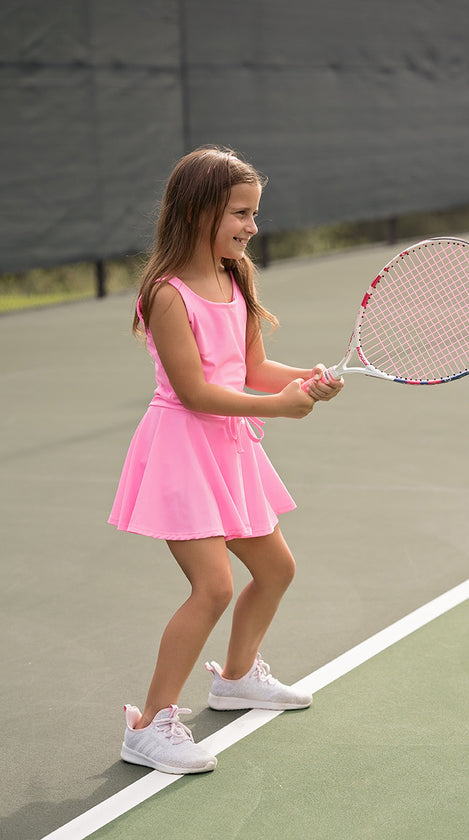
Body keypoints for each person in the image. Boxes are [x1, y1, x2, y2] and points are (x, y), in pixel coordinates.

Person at [108, 145, 344, 775]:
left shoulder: (234, 276)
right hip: (183, 450)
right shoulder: (166, 294)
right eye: (240, 212)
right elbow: (194, 391)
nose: (251, 226)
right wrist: (283, 408)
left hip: (230, 448)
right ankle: (150, 725)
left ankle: (237, 679)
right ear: (198, 211)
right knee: (212, 587)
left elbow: (254, 369)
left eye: (255, 214)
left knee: (276, 569)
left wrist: (306, 379)